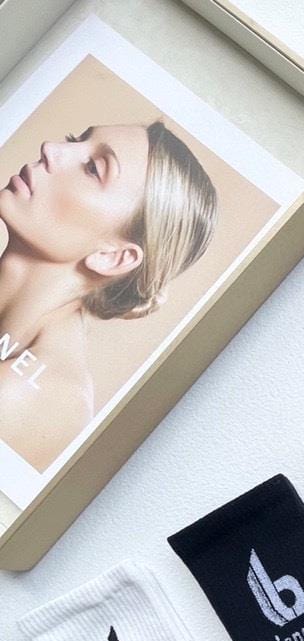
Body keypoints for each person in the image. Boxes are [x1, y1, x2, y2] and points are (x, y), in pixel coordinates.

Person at [0, 121, 217, 471]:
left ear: (113, 256)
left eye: (93, 168)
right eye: (74, 139)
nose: (50, 148)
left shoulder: (27, 396)